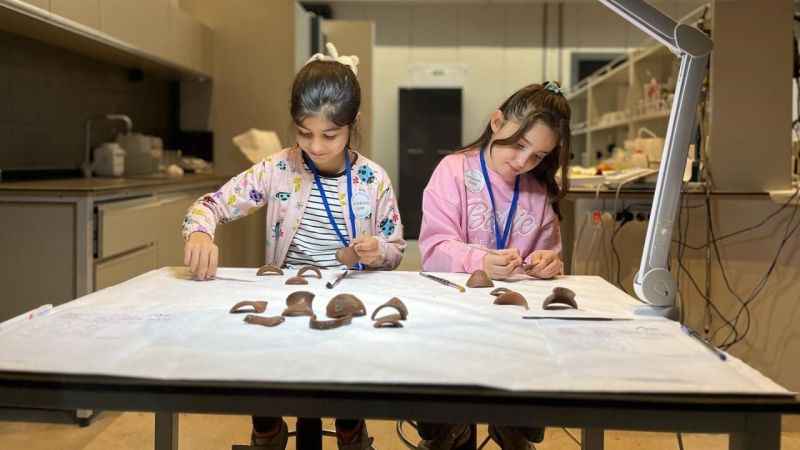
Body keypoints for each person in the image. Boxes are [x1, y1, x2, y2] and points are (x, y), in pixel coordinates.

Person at [181, 43, 405, 450]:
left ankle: (351, 429)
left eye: (329, 135)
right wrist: (200, 231)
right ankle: (268, 429)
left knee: (345, 374)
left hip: (347, 299)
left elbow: (396, 248)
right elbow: (210, 205)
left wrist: (380, 251)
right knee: (259, 357)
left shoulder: (374, 180)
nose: (315, 147)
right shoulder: (279, 168)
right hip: (287, 299)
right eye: (304, 133)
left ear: (352, 124)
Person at [417, 81, 571, 450]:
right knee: (449, 388)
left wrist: (549, 263)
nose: (522, 162)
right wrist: (481, 261)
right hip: (454, 310)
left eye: (537, 156)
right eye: (519, 145)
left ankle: (514, 428)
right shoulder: (453, 171)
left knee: (531, 356)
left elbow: (550, 257)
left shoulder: (536, 190)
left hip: (514, 320)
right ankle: (447, 432)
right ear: (497, 121)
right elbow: (434, 249)